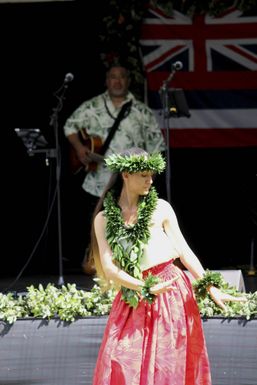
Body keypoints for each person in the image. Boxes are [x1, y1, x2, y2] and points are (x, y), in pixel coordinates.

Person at [90, 147, 246, 385]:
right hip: (134, 292)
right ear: (126, 175)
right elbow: (109, 267)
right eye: (143, 175)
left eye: (151, 174)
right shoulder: (103, 219)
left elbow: (184, 252)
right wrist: (143, 287)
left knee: (167, 364)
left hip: (171, 291)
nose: (149, 180)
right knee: (119, 359)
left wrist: (211, 286)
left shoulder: (161, 208)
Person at [63, 65, 166, 274]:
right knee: (96, 220)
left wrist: (147, 172)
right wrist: (81, 148)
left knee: (129, 218)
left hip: (131, 181)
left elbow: (157, 145)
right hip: (97, 178)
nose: (117, 81)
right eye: (112, 77)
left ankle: (129, 262)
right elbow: (69, 126)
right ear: (106, 81)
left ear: (128, 81)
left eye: (122, 77)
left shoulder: (141, 111)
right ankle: (96, 261)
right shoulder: (92, 106)